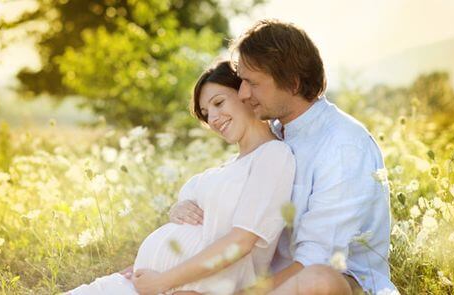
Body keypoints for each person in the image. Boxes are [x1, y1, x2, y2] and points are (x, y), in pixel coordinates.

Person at [170, 19, 397, 294]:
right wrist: (185, 205)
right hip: (266, 282)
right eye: (241, 82)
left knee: (318, 281)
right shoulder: (273, 135)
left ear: (292, 82)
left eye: (252, 83)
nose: (242, 93)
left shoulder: (343, 145)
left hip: (337, 283)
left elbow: (317, 261)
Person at [68, 61, 296, 294]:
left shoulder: (273, 156)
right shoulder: (229, 167)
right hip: (146, 283)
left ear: (245, 92)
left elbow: (240, 243)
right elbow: (195, 203)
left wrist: (164, 280)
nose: (214, 119)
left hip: (180, 288)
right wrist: (179, 208)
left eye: (218, 103)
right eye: (206, 114)